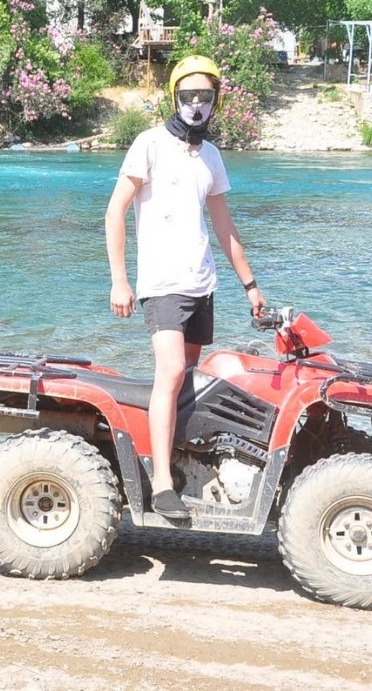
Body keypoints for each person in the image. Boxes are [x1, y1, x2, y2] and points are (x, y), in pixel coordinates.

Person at [104, 55, 265, 519]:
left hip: (202, 282)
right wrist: (120, 280)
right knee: (171, 372)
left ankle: (180, 458)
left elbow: (225, 228)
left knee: (190, 381)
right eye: (188, 96)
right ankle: (161, 483)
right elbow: (115, 212)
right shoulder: (149, 144)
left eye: (205, 97)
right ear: (174, 96)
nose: (196, 105)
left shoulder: (211, 156)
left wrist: (251, 287)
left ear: (215, 101)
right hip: (162, 282)